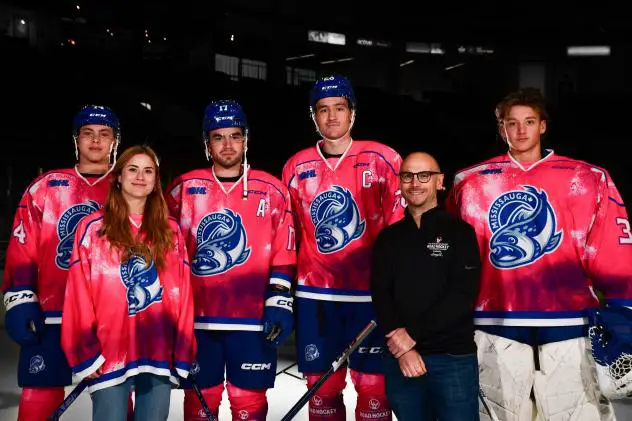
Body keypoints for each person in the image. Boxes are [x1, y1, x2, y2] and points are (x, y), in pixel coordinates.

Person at [446, 87, 632, 420]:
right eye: (511, 123)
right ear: (501, 127)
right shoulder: (469, 181)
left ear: (542, 126)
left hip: (569, 320)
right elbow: (452, 257)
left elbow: (611, 248)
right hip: (494, 320)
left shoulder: (587, 178)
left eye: (529, 122)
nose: (520, 131)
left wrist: (624, 307)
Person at [281, 74, 404, 421]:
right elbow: (288, 235)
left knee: (374, 388)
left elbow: (398, 228)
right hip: (317, 297)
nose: (332, 116)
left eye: (339, 108)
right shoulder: (295, 166)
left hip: (370, 295)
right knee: (322, 389)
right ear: (313, 116)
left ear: (352, 113)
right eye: (323, 109)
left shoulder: (383, 159)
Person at [166, 100, 297, 421]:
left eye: (235, 136)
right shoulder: (182, 189)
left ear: (246, 140)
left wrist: (279, 300)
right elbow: (164, 252)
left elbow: (285, 250)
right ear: (207, 144)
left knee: (249, 406)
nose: (227, 144)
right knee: (199, 405)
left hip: (252, 324)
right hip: (196, 321)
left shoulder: (273, 191)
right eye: (218, 137)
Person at [1, 105, 130, 421]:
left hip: (113, 316)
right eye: (88, 134)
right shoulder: (45, 187)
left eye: (104, 134)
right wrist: (20, 299)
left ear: (115, 141)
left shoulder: (130, 188)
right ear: (76, 140)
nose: (96, 142)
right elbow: (22, 247)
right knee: (39, 392)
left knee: (115, 395)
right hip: (53, 311)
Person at [61, 145, 196, 421]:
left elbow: (183, 295)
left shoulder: (171, 231)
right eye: (132, 169)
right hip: (110, 352)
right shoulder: (92, 228)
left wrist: (182, 348)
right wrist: (84, 350)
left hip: (158, 350)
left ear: (155, 181)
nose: (140, 177)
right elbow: (78, 293)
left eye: (148, 171)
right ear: (119, 176)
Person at [370, 152, 481, 421]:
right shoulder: (388, 238)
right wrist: (405, 349)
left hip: (452, 359)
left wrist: (412, 336)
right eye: (407, 176)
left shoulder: (460, 232)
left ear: (439, 181)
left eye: (424, 176)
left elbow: (462, 295)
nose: (415, 183)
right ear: (399, 182)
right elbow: (381, 297)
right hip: (402, 360)